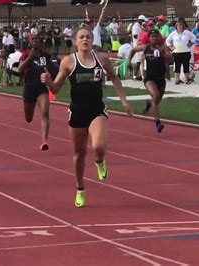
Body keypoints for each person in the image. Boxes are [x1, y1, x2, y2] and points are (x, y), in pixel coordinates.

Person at [41, 27, 133, 207]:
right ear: (75, 41)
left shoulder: (102, 58)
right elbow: (56, 89)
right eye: (81, 37)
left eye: (88, 37)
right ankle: (80, 187)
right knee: (79, 154)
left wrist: (124, 101)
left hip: (96, 109)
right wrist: (48, 81)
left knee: (98, 145)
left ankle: (99, 159)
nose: (85, 40)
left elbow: (115, 78)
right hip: (77, 112)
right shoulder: (68, 62)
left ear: (93, 40)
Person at [128, 29, 173, 133]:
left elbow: (171, 60)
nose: (154, 38)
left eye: (155, 36)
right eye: (152, 36)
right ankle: (158, 123)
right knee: (156, 96)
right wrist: (128, 62)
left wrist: (164, 54)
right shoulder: (146, 48)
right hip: (149, 78)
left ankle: (149, 104)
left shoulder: (163, 48)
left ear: (159, 37)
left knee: (157, 100)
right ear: (149, 38)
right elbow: (133, 50)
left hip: (161, 78)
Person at [18, 35, 56, 150]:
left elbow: (54, 68)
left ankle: (45, 141)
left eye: (38, 40)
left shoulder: (45, 56)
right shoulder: (25, 54)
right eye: (33, 40)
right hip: (29, 88)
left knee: (45, 111)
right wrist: (30, 58)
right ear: (29, 43)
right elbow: (20, 70)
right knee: (28, 118)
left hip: (41, 88)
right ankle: (29, 109)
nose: (36, 42)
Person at [165, 20, 196, 85]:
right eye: (178, 26)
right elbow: (167, 41)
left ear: (183, 26)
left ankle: (186, 79)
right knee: (177, 66)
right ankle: (177, 79)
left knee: (186, 65)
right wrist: (171, 47)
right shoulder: (173, 33)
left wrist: (191, 43)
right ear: (176, 27)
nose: (180, 27)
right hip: (177, 52)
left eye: (181, 25)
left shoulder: (187, 32)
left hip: (186, 51)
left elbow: (194, 38)